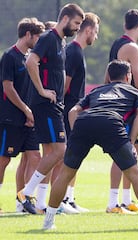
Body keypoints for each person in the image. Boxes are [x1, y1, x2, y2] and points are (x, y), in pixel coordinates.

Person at [42, 60, 138, 231]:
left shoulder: (96, 90)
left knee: (66, 174)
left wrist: (77, 133)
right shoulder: (136, 92)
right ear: (128, 76)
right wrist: (132, 141)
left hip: (84, 122)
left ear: (109, 76)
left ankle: (48, 222)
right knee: (135, 174)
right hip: (111, 124)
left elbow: (73, 112)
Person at [16, 3, 85, 214]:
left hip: (55, 104)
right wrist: (42, 90)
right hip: (46, 105)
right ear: (65, 19)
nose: (77, 28)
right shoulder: (47, 38)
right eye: (76, 23)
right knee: (60, 151)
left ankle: (40, 203)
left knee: (49, 153)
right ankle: (26, 192)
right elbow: (31, 61)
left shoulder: (60, 42)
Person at [49, 12, 100, 214]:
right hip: (66, 112)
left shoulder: (78, 51)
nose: (96, 37)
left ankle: (68, 198)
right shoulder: (73, 52)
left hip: (74, 112)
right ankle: (58, 200)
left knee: (74, 155)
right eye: (95, 32)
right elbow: (65, 85)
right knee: (63, 157)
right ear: (88, 30)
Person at [106, 8, 138, 214]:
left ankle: (125, 199)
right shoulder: (133, 48)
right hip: (125, 105)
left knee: (134, 150)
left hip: (115, 100)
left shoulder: (116, 44)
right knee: (122, 152)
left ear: (125, 25)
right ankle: (114, 202)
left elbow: (108, 76)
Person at [0, 17, 44, 213]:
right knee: (4, 159)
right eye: (37, 37)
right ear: (28, 35)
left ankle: (23, 201)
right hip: (10, 118)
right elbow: (7, 88)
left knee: (35, 156)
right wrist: (25, 109)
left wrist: (32, 110)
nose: (39, 42)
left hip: (30, 117)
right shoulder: (9, 56)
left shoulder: (30, 59)